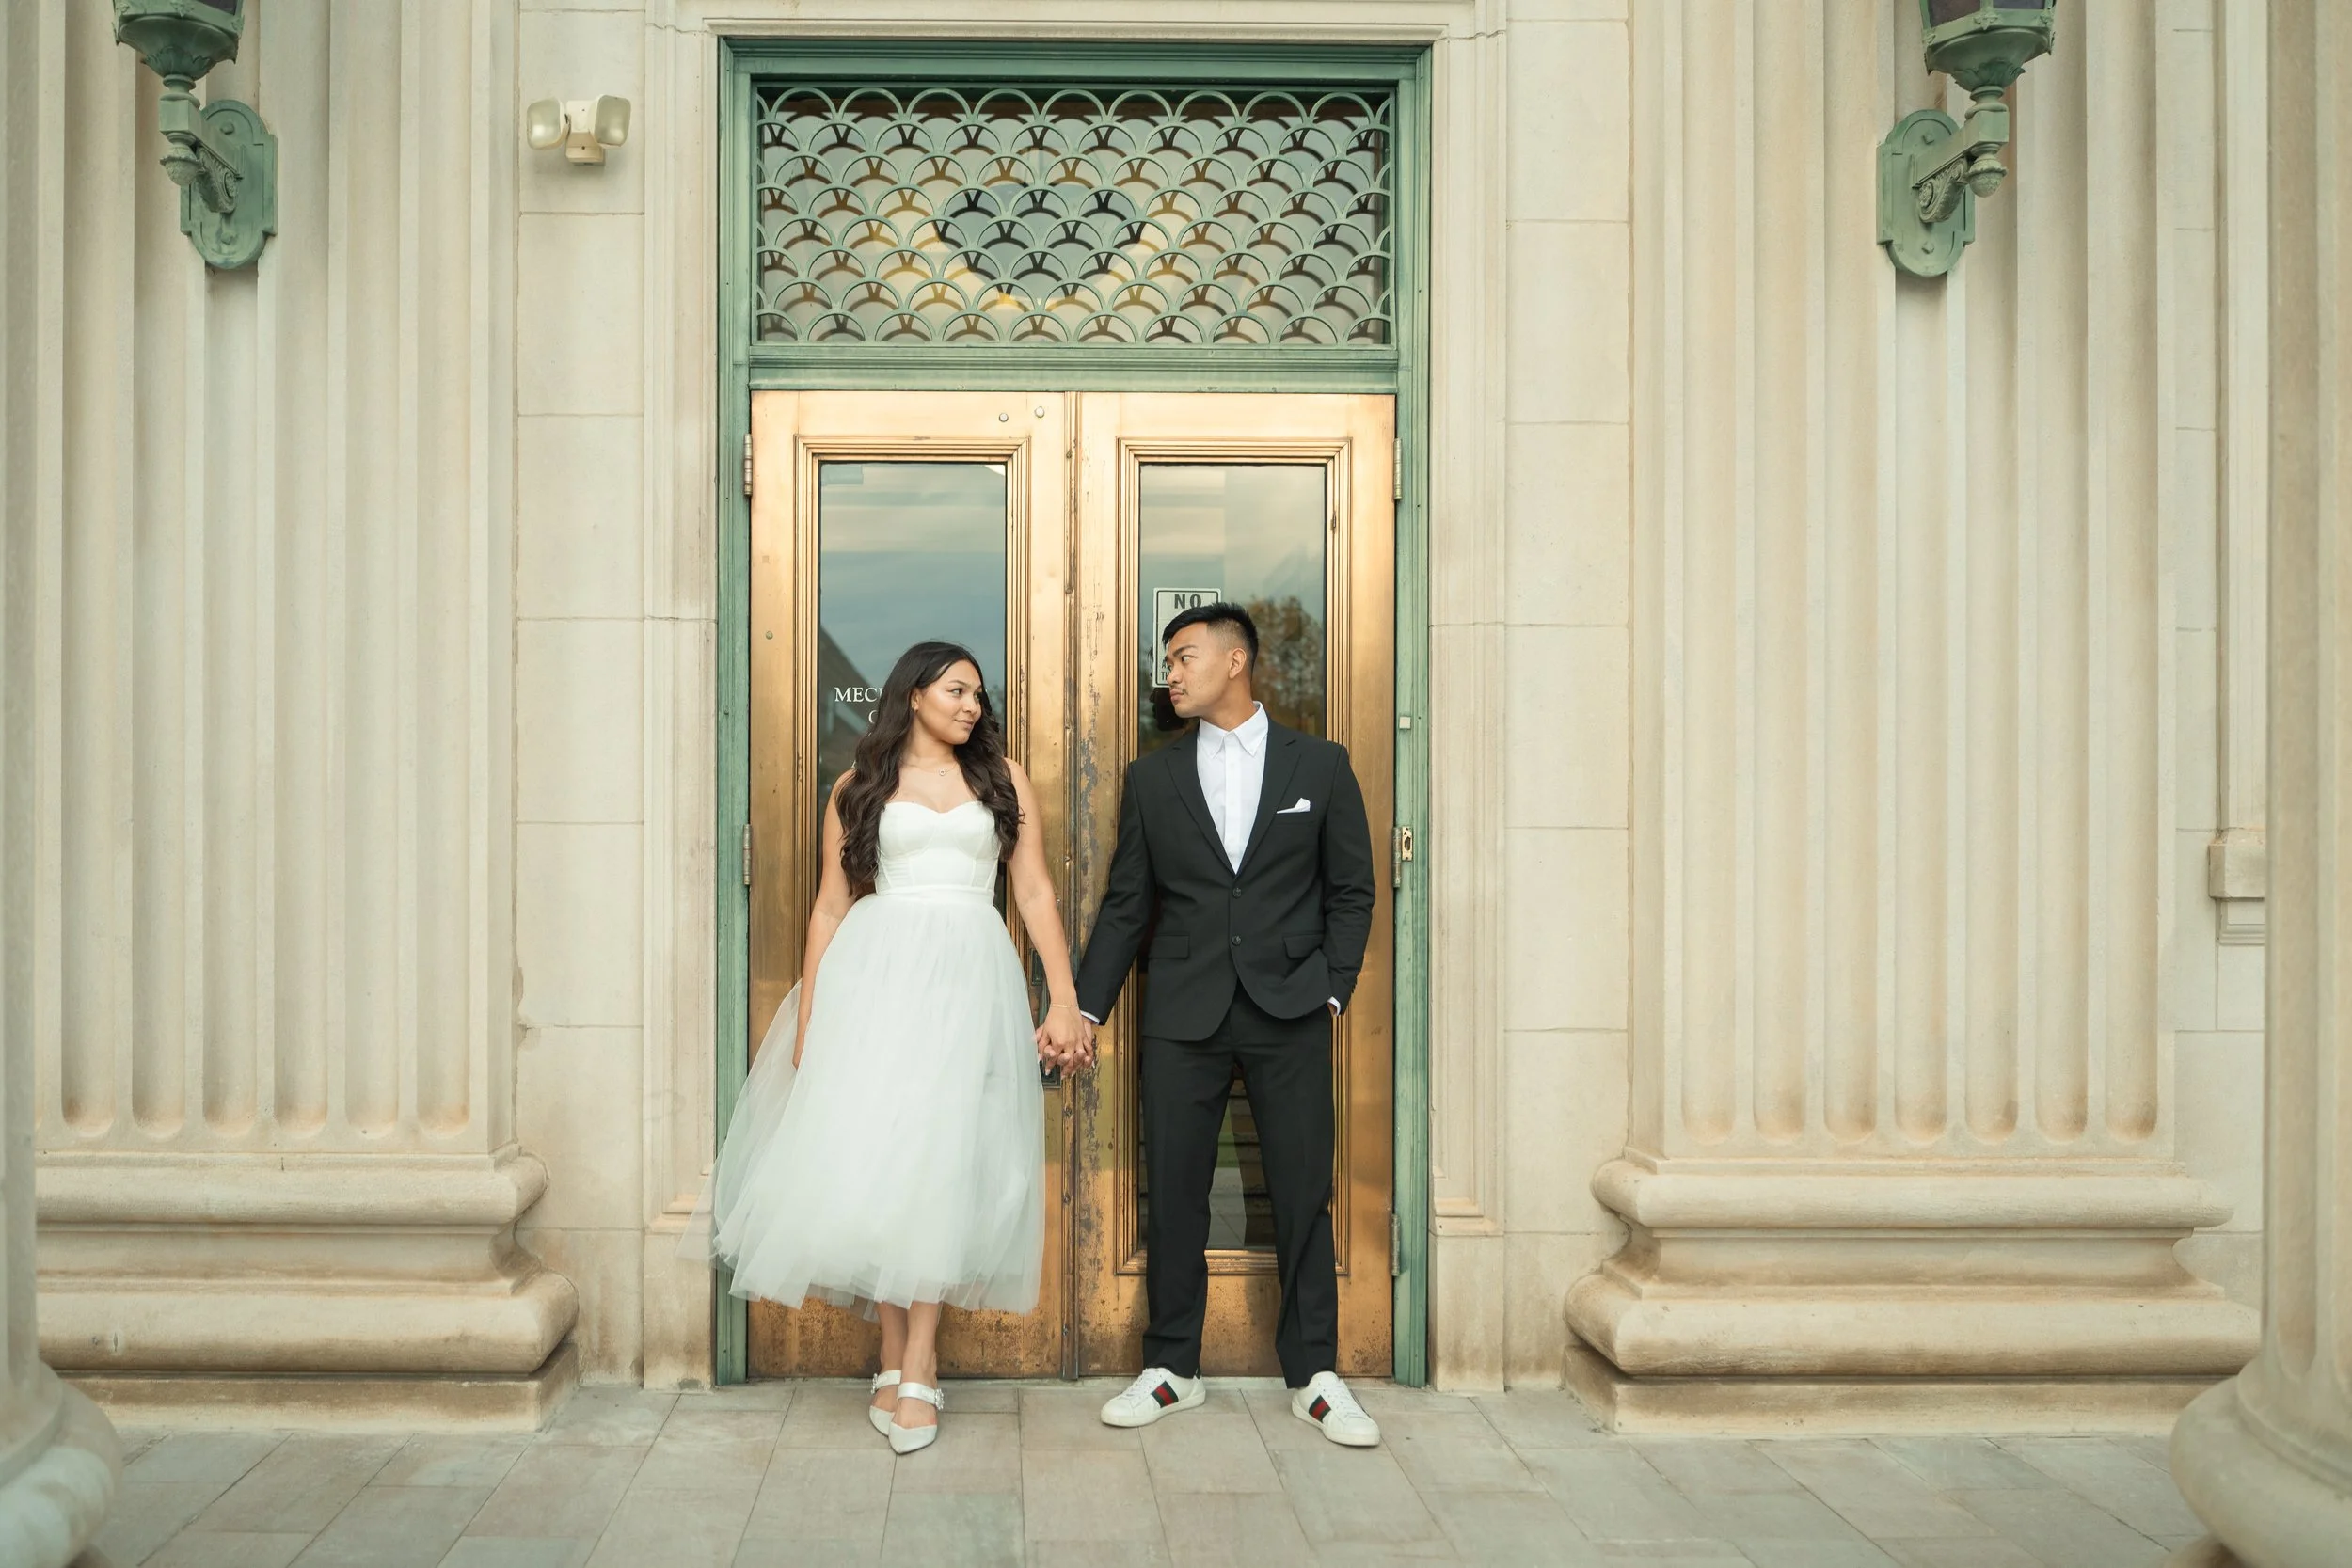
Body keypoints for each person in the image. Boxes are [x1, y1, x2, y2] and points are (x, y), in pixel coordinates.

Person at [691, 641, 1090, 1455]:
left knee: (943, 1159)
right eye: (956, 689)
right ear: (913, 694)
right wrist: (809, 1020)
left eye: (979, 693)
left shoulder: (1002, 782)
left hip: (969, 982)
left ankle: (919, 1359)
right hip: (877, 982)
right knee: (889, 1157)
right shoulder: (857, 787)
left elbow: (1035, 890)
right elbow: (830, 909)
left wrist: (1065, 997)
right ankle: (890, 1351)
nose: (973, 704)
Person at [1074, 602, 1383, 1447]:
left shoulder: (1320, 764)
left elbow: (1353, 889)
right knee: (1175, 1192)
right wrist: (1084, 1004)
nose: (1168, 673)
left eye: (1182, 656)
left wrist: (1332, 988)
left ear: (1236, 661)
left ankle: (1315, 1374)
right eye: (1167, 661)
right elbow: (1128, 903)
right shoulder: (1152, 777)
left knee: (1301, 1191)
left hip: (1291, 1008)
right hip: (1183, 1011)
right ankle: (1173, 1365)